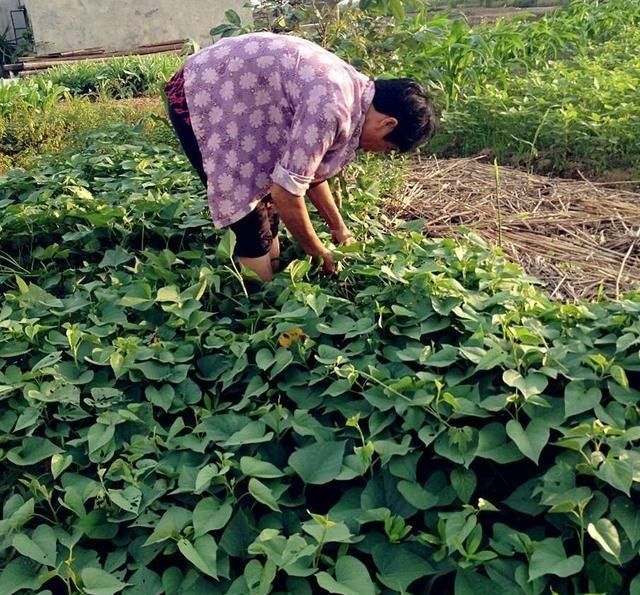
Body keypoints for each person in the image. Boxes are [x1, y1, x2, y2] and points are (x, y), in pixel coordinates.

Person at [165, 32, 436, 281]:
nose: (378, 152)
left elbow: (307, 173)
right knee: (249, 216)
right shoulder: (334, 108)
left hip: (235, 94)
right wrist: (317, 251)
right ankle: (256, 312)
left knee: (267, 214)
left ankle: (269, 279)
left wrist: (338, 228)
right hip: (201, 91)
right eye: (388, 148)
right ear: (388, 124)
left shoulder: (354, 93)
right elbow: (286, 192)